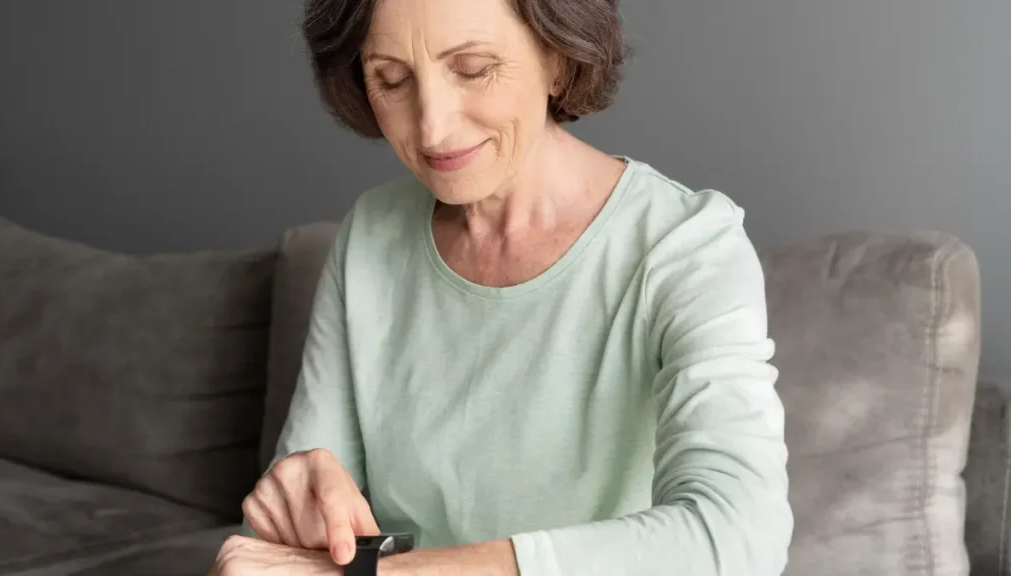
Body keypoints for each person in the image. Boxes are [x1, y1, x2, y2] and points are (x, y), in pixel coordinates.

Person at [210, 0, 793, 574]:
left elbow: (740, 536)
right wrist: (296, 512)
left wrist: (394, 575)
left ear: (559, 59)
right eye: (391, 79)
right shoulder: (371, 236)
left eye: (472, 69)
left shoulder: (685, 245)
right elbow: (274, 547)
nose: (432, 125)